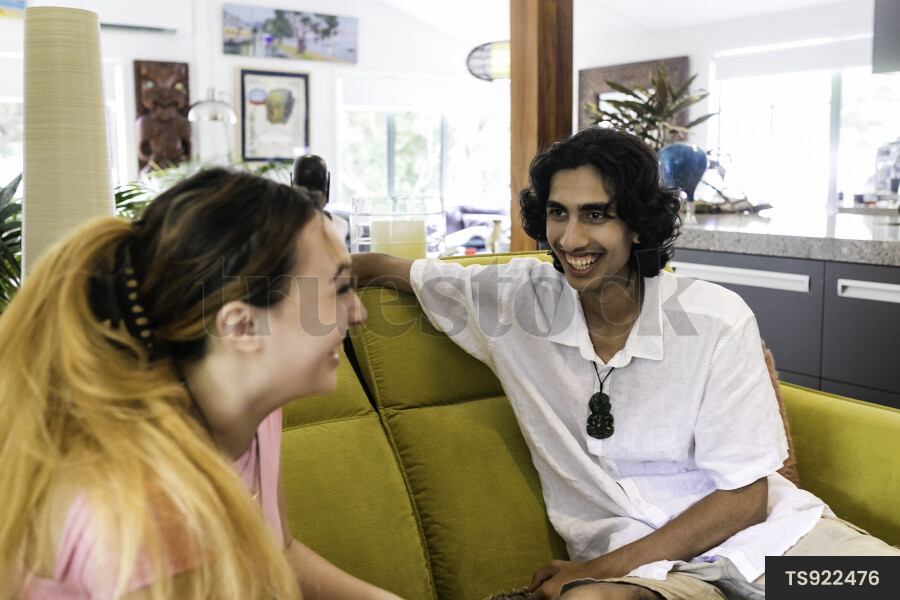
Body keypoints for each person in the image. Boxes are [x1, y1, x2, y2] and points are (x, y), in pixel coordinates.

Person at [351, 126, 899, 600]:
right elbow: (386, 267)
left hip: (774, 551)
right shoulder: (516, 299)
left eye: (596, 215)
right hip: (658, 581)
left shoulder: (716, 320)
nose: (571, 238)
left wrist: (596, 568)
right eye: (558, 214)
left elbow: (746, 499)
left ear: (636, 224)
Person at [0, 168, 403, 600]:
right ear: (242, 327)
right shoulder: (151, 505)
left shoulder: (252, 414)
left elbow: (280, 553)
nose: (358, 313)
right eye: (339, 289)